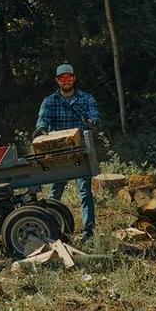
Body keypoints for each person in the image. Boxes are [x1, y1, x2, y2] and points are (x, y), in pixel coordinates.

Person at [33, 63, 101, 240]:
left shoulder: (86, 99)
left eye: (69, 77)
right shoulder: (50, 101)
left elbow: (95, 117)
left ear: (74, 78)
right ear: (57, 80)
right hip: (58, 154)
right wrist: (41, 130)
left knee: (85, 192)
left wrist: (92, 122)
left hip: (80, 152)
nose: (66, 81)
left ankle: (88, 231)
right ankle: (50, 228)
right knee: (55, 194)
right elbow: (43, 119)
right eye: (62, 78)